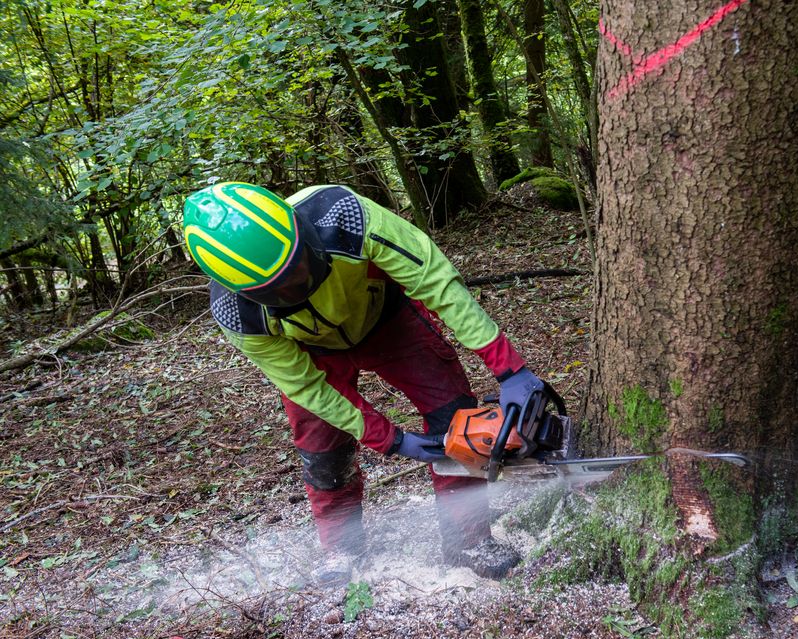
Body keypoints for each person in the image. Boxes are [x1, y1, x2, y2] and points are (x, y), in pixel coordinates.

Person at [182, 182, 545, 585]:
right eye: (278, 289)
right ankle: (341, 548)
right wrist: (388, 438)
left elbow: (434, 279)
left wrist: (508, 368)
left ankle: (467, 540)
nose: (297, 285)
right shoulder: (237, 314)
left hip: (386, 316)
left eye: (298, 267)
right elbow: (306, 387)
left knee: (455, 416)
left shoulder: (345, 216)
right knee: (323, 452)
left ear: (300, 231)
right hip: (310, 354)